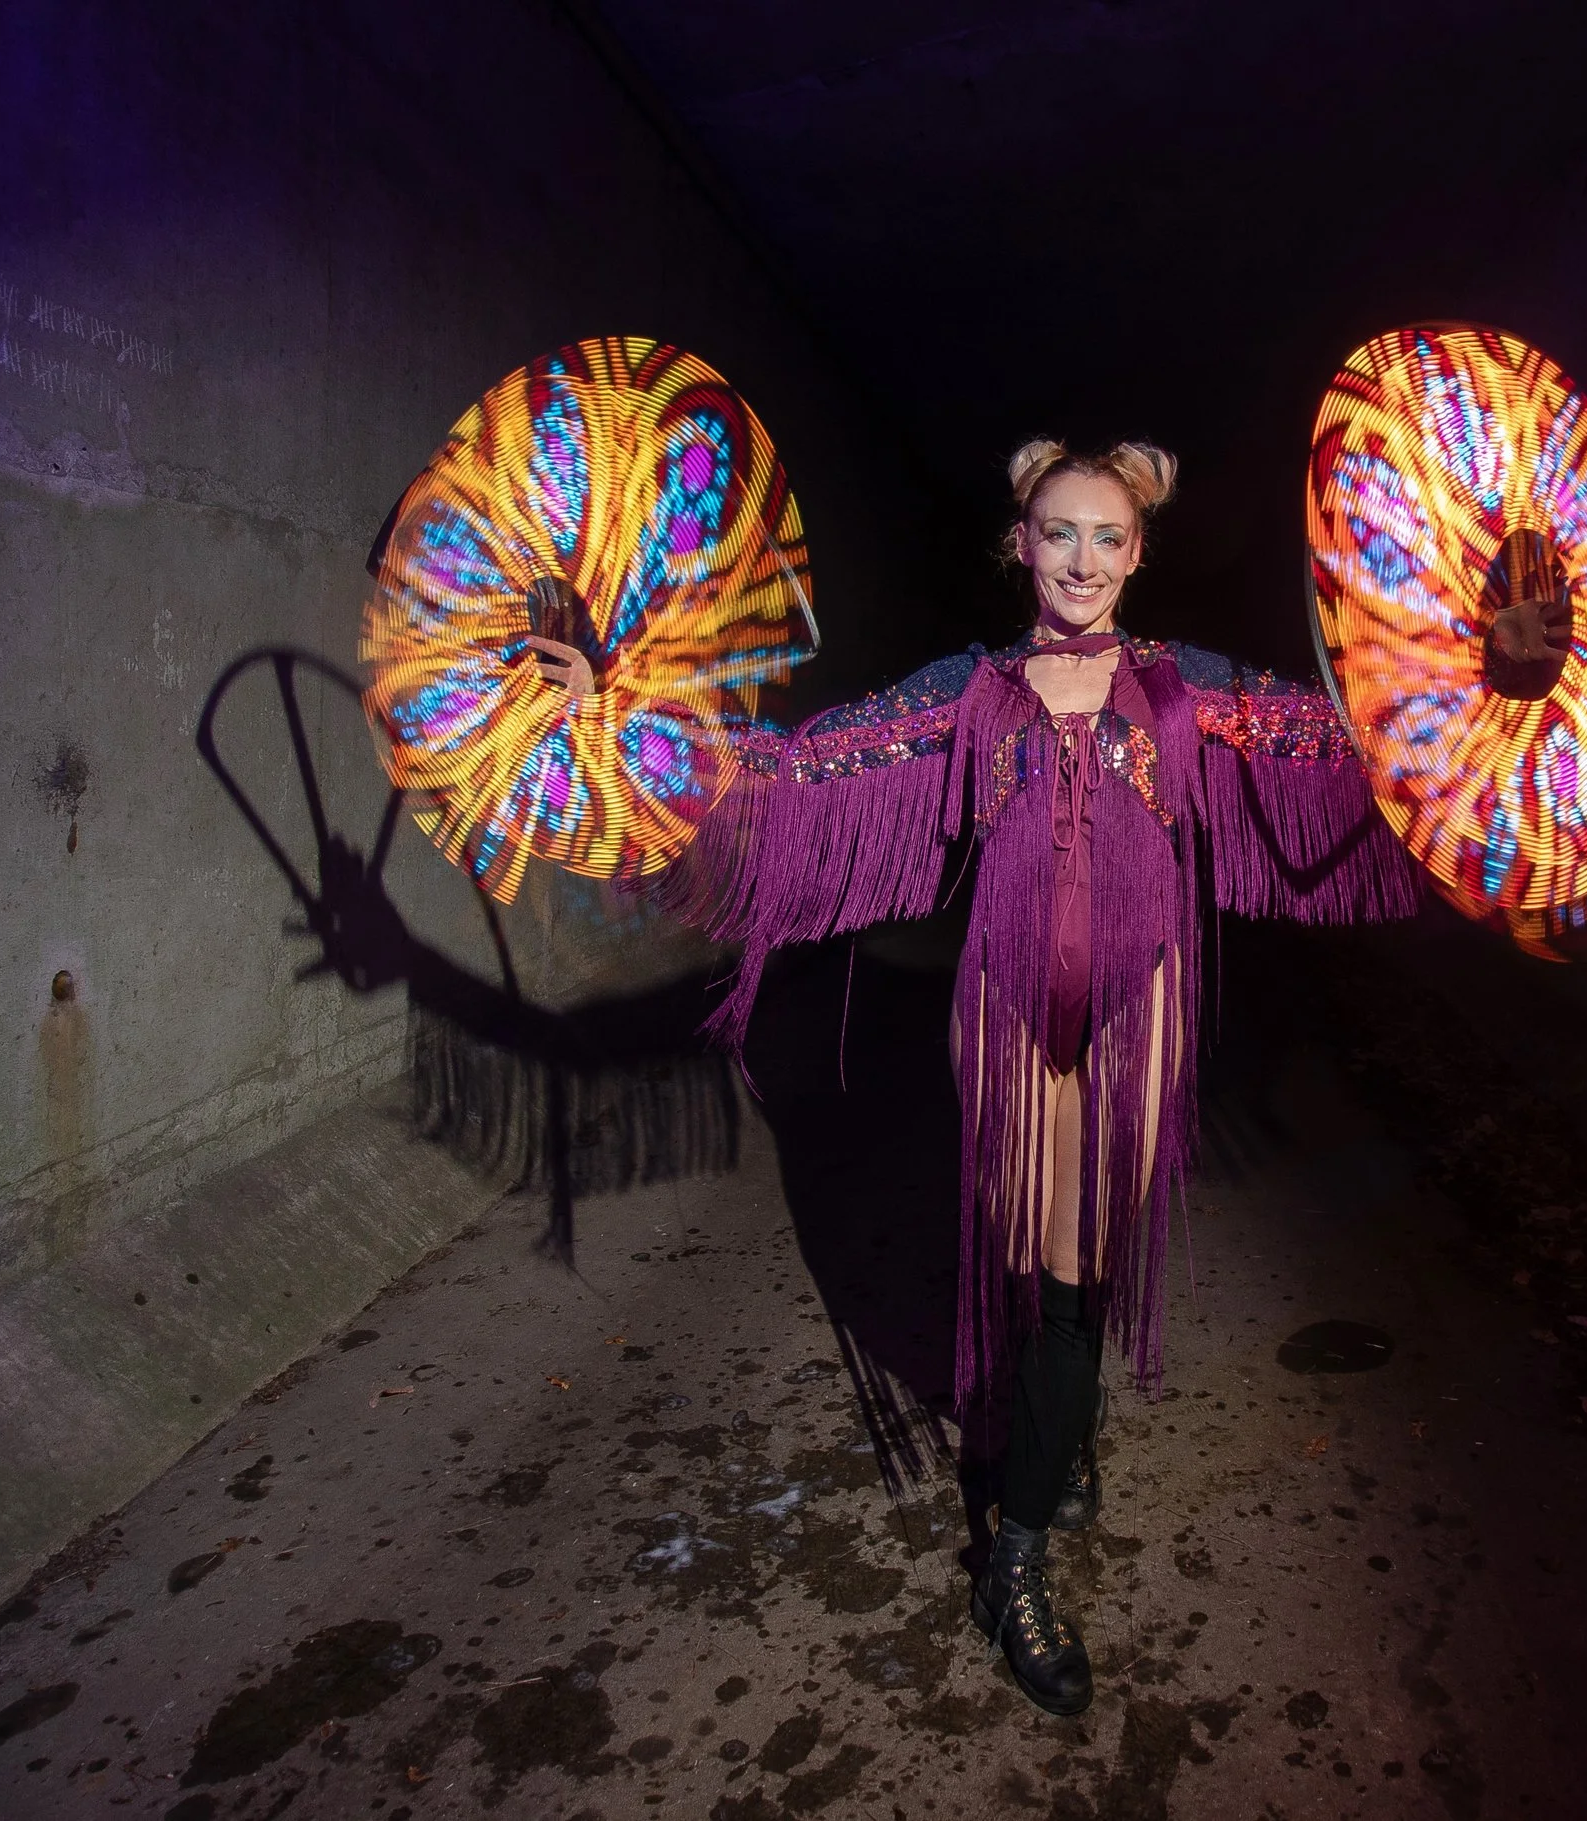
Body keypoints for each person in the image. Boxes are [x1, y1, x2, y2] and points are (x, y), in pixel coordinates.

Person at [527, 439, 1418, 1714]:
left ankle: (1055, 1438)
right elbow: (788, 771)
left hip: (1140, 1007)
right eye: (1059, 534)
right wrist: (608, 714)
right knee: (1049, 1270)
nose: (1083, 561)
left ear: (1139, 552)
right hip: (1008, 1010)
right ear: (1020, 544)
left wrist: (1502, 674)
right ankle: (1017, 1560)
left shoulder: (1186, 688)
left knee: (1088, 1263)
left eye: (1108, 538)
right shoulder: (970, 692)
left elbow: (1361, 747)